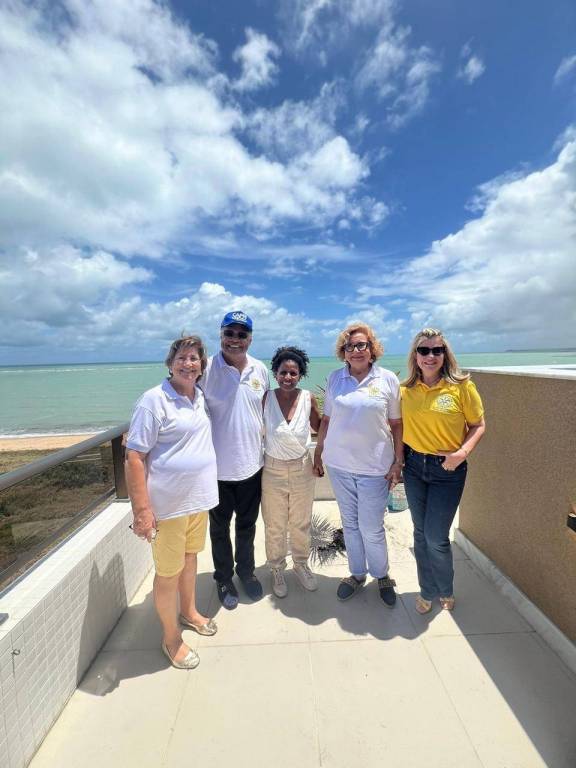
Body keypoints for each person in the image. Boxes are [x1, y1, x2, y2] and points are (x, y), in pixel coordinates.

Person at [125, 335, 218, 670]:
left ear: (202, 366)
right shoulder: (154, 400)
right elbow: (134, 457)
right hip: (167, 507)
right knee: (167, 573)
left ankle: (189, 611)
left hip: (197, 501)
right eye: (181, 358)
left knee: (190, 559)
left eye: (194, 358)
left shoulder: (199, 396)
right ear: (170, 363)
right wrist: (142, 511)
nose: (188, 364)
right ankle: (171, 638)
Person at [313, 323, 403, 607]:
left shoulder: (387, 379)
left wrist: (398, 461)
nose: (356, 351)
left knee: (371, 526)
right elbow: (327, 420)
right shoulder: (335, 378)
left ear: (372, 348)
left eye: (362, 345)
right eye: (350, 346)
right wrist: (318, 451)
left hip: (375, 467)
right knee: (350, 524)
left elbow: (396, 424)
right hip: (339, 465)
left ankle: (382, 575)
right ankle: (357, 574)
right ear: (344, 351)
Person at [401, 328, 485, 614]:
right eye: (424, 350)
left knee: (436, 537)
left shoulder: (462, 387)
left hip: (447, 470)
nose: (430, 356)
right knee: (420, 533)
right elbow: (391, 425)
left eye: (437, 350)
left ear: (445, 355)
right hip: (414, 466)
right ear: (415, 356)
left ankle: (445, 588)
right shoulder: (405, 390)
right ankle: (427, 590)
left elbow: (478, 425)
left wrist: (461, 454)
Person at [200, 311, 269, 609]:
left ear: (250, 339)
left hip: (252, 466)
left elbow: (264, 411)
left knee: (247, 526)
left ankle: (246, 572)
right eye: (229, 333)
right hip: (216, 470)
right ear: (221, 335)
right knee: (219, 530)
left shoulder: (260, 369)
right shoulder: (205, 368)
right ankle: (224, 578)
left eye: (242, 334)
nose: (235, 340)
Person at [261, 346, 322, 598]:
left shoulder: (308, 399)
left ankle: (300, 564)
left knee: (300, 521)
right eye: (283, 372)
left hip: (302, 467)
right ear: (275, 373)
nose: (288, 377)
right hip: (272, 468)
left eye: (293, 373)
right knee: (274, 523)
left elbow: (322, 428)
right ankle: (277, 567)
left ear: (300, 374)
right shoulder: (265, 398)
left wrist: (319, 458)